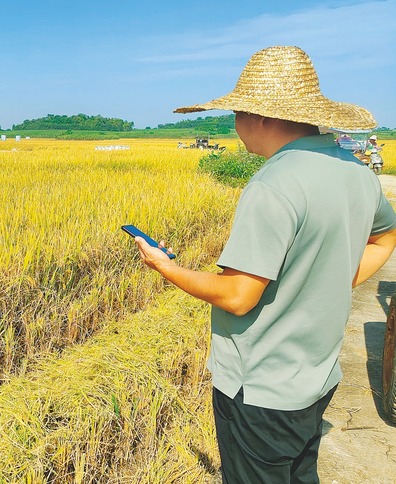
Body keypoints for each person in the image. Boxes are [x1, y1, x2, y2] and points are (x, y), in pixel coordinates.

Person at [133, 46, 396, 482]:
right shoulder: (355, 170)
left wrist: (165, 267)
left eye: (238, 113)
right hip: (317, 377)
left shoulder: (273, 184)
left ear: (262, 117)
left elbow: (238, 296)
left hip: (261, 391)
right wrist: (331, 280)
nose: (235, 126)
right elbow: (386, 237)